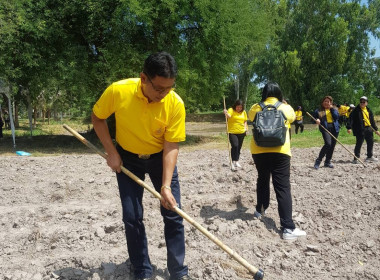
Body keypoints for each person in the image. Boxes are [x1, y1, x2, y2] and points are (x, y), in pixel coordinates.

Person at [91, 52, 192, 280]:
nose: (164, 94)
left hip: (159, 159)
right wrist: (112, 152)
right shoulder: (119, 91)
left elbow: (171, 145)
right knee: (132, 216)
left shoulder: (175, 103)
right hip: (128, 159)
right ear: (143, 78)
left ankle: (178, 271)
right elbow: (98, 118)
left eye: (169, 88)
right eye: (159, 89)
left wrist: (165, 186)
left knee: (173, 212)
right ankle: (142, 269)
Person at [248, 82, 306, 240]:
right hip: (281, 151)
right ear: (279, 93)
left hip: (259, 151)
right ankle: (287, 228)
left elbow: (249, 118)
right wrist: (285, 104)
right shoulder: (285, 107)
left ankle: (260, 210)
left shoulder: (255, 107)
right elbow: (293, 118)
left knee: (262, 179)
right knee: (282, 187)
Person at [347, 96, 380, 163]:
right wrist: (349, 127)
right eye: (361, 102)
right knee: (359, 143)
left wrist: (376, 129)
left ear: (366, 103)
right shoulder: (355, 110)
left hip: (369, 128)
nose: (362, 103)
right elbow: (351, 119)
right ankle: (356, 158)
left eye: (364, 102)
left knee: (370, 142)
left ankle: (369, 156)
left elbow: (372, 121)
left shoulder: (368, 110)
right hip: (360, 129)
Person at [313, 96, 340, 169]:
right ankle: (318, 161)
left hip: (335, 129)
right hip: (325, 128)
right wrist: (317, 120)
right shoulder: (319, 110)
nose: (326, 103)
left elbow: (336, 117)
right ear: (322, 102)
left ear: (331, 103)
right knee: (328, 144)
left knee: (332, 146)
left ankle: (327, 162)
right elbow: (314, 118)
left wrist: (331, 109)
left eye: (328, 101)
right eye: (325, 101)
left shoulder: (334, 109)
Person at [223, 99, 248, 170]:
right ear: (235, 106)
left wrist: (246, 129)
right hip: (232, 132)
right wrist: (226, 113)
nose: (239, 108)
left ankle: (236, 161)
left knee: (239, 147)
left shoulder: (244, 112)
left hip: (242, 132)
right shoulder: (231, 109)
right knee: (235, 145)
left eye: (240, 107)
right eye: (237, 107)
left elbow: (245, 121)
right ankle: (231, 161)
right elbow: (229, 116)